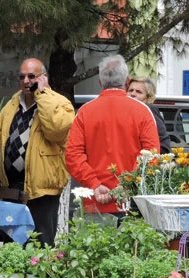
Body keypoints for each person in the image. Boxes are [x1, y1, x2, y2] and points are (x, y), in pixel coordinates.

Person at [0, 58, 74, 246]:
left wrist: (43, 95)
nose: (26, 81)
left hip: (42, 190)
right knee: (13, 245)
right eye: (22, 76)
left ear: (43, 78)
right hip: (13, 189)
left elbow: (56, 130)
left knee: (41, 244)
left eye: (31, 76)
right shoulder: (11, 105)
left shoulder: (59, 103)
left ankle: (39, 277)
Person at [66, 55, 159, 215]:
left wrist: (94, 184)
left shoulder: (84, 112)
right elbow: (152, 156)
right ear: (127, 81)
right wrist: (127, 185)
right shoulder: (142, 111)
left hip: (94, 203)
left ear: (100, 82)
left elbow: (73, 156)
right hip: (133, 203)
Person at [127, 76, 171, 153]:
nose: (133, 94)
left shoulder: (149, 110)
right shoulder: (125, 110)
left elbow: (164, 142)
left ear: (148, 97)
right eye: (130, 90)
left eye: (138, 92)